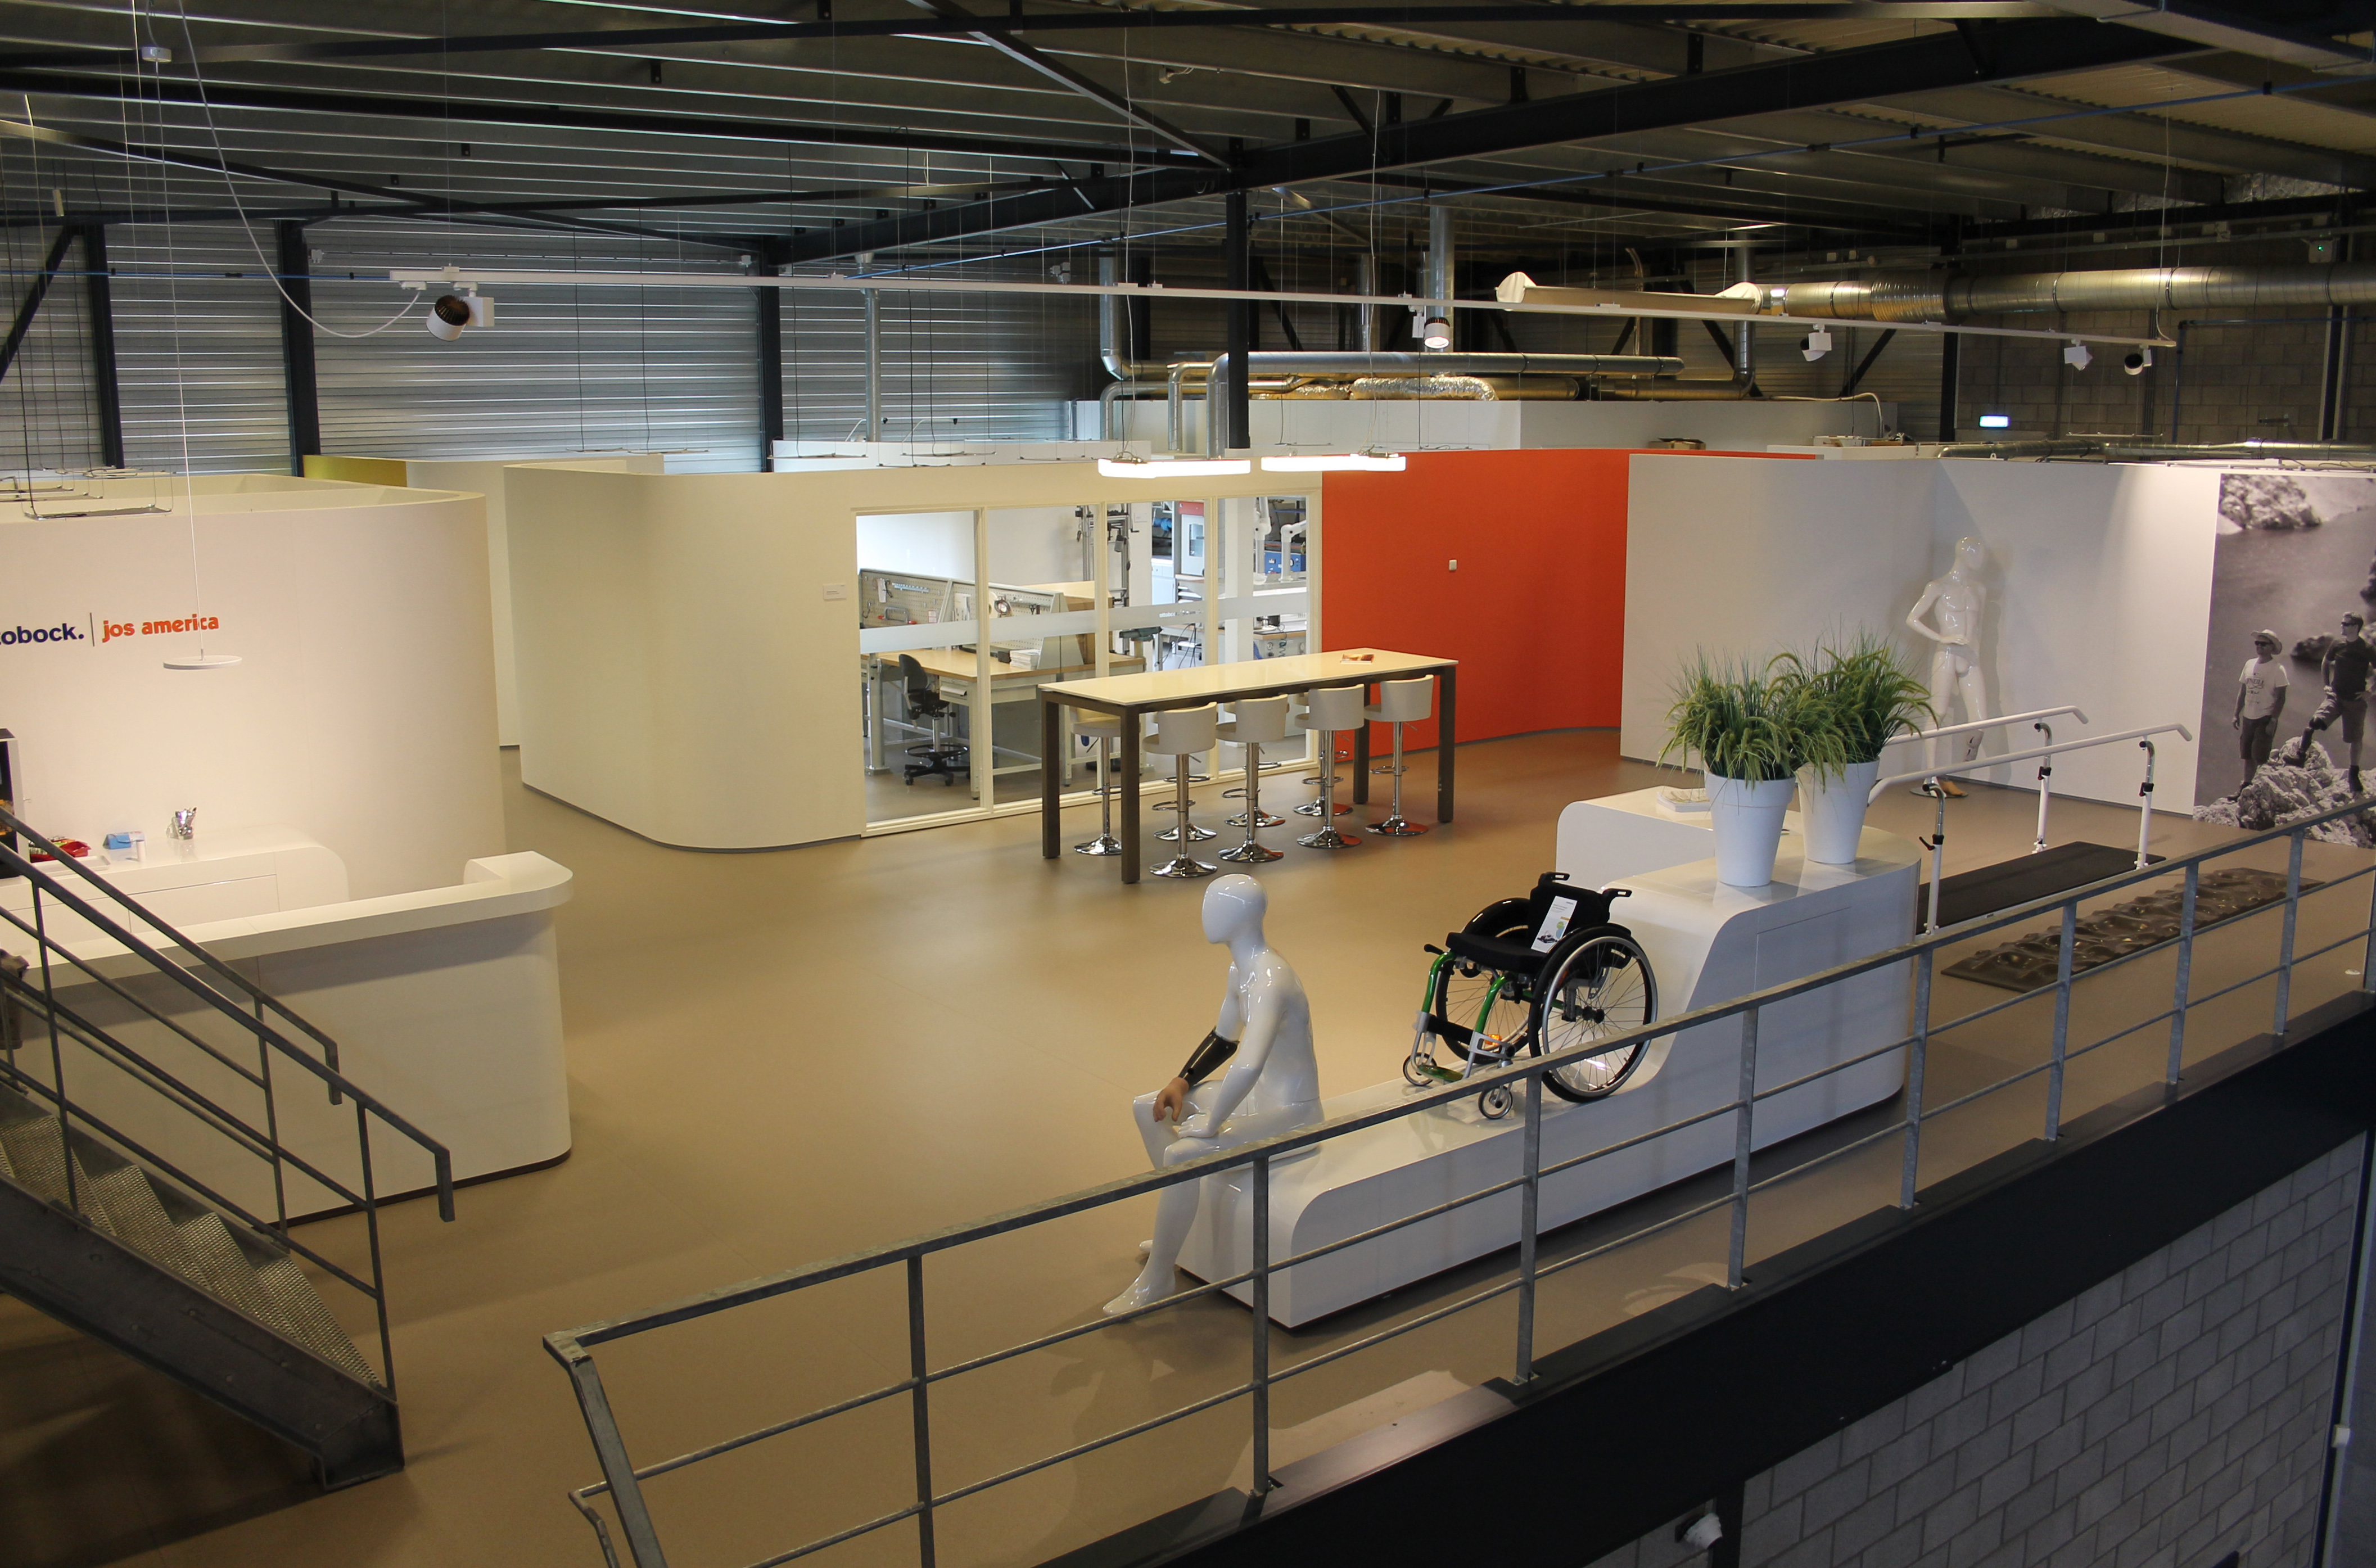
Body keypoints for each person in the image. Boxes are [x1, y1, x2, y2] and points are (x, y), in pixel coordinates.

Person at [1105, 875, 1321, 1318]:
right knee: (1149, 1109)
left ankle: (1159, 1275)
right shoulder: (1239, 970)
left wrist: (1211, 1118)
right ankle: (1185, 1224)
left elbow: (1251, 1061)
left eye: (1214, 906)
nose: (1205, 914)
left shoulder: (1269, 978)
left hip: (1293, 1112)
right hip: (1257, 1097)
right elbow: (1225, 1039)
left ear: (1241, 916)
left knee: (1186, 1154)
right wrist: (1182, 1081)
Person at [1904, 535, 1991, 796]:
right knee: (1937, 713)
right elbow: (1913, 619)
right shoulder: (1938, 586)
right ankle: (1930, 777)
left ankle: (1954, 768)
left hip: (1970, 657)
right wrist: (1942, 637)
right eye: (1976, 552)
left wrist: (1976, 651)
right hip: (1946, 654)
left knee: (1981, 721)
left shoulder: (1979, 590)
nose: (1981, 558)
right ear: (1963, 552)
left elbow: (1980, 627)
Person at [2290, 611, 2376, 795]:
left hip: (2355, 701)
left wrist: (2370, 691)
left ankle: (2354, 773)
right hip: (2336, 696)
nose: (2342, 627)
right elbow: (2325, 663)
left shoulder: (2367, 649)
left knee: (2355, 739)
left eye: (2345, 624)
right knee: (2313, 724)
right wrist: (2327, 685)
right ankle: (2300, 755)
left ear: (2355, 627)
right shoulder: (2338, 644)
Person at [2232, 629, 2289, 787]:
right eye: (2257, 643)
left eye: (2263, 644)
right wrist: (2236, 714)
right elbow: (2243, 691)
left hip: (2265, 717)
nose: (2259, 647)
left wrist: (2273, 720)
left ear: (2272, 647)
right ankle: (2246, 785)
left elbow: (2281, 698)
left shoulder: (2278, 669)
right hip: (2248, 716)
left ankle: (2260, 786)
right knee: (2247, 754)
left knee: (2260, 755)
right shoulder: (2249, 664)